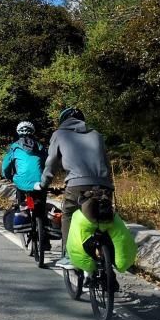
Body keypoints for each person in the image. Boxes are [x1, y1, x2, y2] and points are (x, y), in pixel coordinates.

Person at [42, 106, 114, 268]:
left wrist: (44, 183)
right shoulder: (96, 135)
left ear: (63, 121)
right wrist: (109, 185)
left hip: (77, 185)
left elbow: (51, 164)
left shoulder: (59, 134)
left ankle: (68, 255)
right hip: (103, 184)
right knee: (103, 216)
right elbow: (106, 164)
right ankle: (108, 262)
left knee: (67, 214)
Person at [1, 121, 49, 248]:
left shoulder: (14, 147)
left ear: (18, 133)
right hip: (39, 182)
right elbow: (47, 163)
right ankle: (44, 238)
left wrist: (8, 177)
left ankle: (26, 214)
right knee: (41, 207)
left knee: (24, 202)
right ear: (33, 132)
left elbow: (6, 166)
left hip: (22, 183)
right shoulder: (40, 147)